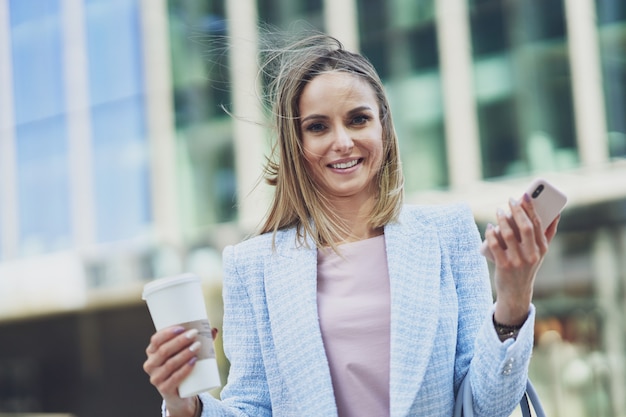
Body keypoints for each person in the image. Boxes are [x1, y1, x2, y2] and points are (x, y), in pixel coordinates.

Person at [143, 32, 560, 417]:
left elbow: (486, 406)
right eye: (318, 126)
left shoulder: (446, 233)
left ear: (383, 127)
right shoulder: (253, 267)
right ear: (297, 145)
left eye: (358, 119)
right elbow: (252, 409)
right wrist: (186, 406)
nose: (341, 141)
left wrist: (513, 298)